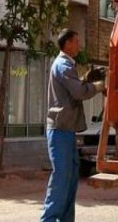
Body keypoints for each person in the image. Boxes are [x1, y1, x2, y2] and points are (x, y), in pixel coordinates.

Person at [41, 29, 105, 222]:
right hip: (60, 131)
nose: (79, 45)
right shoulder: (63, 65)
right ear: (67, 44)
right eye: (76, 41)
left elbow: (73, 89)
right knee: (61, 180)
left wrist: (85, 79)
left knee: (69, 181)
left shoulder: (67, 65)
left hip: (66, 131)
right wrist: (97, 86)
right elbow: (78, 93)